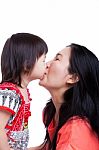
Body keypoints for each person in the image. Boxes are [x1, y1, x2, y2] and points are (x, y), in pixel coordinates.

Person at [30, 43, 99, 150]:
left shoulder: (75, 130)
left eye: (57, 59)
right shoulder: (50, 113)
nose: (47, 64)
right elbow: (48, 146)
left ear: (73, 78)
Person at [0, 33, 48, 150]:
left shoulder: (23, 91)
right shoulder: (10, 94)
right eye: (43, 60)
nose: (46, 65)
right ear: (27, 65)